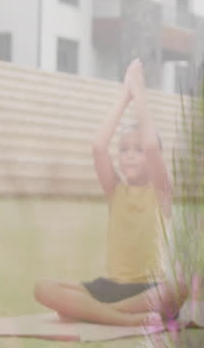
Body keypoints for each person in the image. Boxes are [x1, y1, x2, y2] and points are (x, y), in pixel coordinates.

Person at [33, 59, 180, 327]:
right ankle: (121, 319)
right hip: (109, 287)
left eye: (137, 151)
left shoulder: (161, 191)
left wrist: (140, 94)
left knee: (177, 289)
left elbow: (151, 146)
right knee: (43, 288)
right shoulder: (115, 191)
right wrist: (125, 96)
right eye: (124, 150)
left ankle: (97, 312)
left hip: (148, 288)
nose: (130, 156)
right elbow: (98, 147)